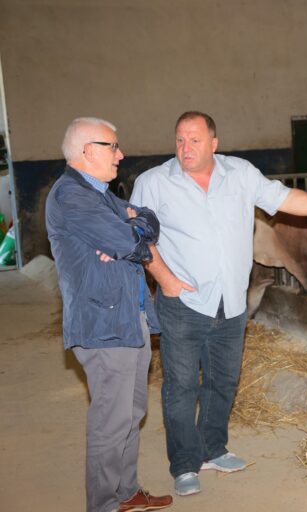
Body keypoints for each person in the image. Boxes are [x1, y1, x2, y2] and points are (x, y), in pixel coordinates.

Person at [130, 111, 307, 496]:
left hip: (231, 301)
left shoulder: (239, 173)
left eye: (194, 140)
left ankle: (214, 448)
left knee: (223, 381)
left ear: (214, 143)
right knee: (181, 386)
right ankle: (186, 464)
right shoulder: (154, 183)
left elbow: (283, 197)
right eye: (179, 140)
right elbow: (140, 237)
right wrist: (166, 281)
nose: (185, 148)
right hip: (184, 302)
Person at [46, 117, 173, 512]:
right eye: (112, 147)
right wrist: (127, 231)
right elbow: (130, 243)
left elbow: (150, 220)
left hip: (130, 317)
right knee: (110, 420)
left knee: (131, 412)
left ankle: (125, 491)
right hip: (103, 324)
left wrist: (132, 226)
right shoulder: (72, 194)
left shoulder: (100, 193)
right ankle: (103, 504)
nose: (121, 154)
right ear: (87, 151)